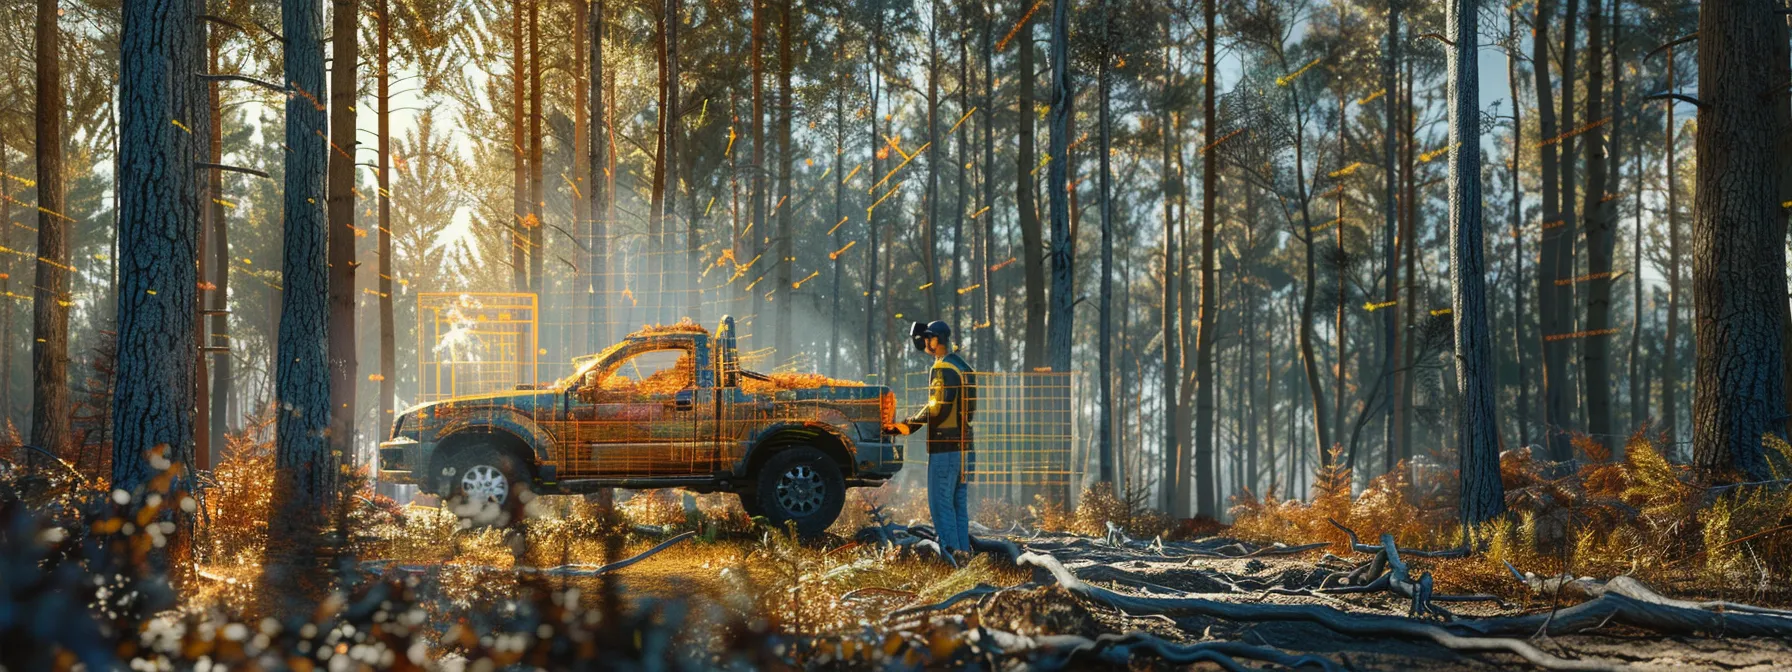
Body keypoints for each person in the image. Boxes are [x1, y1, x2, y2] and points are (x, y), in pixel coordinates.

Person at [885, 320, 976, 555]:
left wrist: (906, 427)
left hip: (945, 448)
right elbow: (970, 410)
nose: (925, 343)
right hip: (966, 448)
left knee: (941, 505)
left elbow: (937, 408)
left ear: (935, 340)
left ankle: (950, 557)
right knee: (958, 507)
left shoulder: (942, 367)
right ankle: (963, 556)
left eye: (928, 338)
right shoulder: (964, 367)